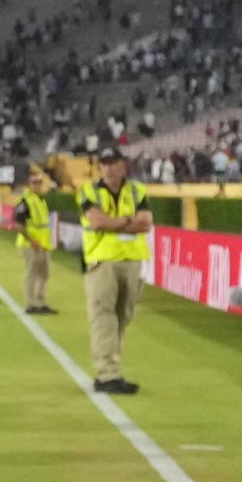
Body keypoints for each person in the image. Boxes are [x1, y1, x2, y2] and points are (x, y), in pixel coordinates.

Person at [79, 149, 150, 394]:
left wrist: (115, 222)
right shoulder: (89, 191)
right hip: (102, 261)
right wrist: (130, 221)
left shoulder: (137, 190)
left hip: (131, 261)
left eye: (113, 163)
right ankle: (108, 374)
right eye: (104, 163)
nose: (108, 168)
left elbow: (146, 223)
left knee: (123, 316)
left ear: (123, 164)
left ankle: (110, 367)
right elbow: (98, 222)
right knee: (103, 316)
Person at [15, 165, 57, 315]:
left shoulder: (40, 200)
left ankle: (41, 302)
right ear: (29, 184)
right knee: (32, 274)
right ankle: (30, 303)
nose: (38, 185)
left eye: (39, 182)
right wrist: (31, 240)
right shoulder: (26, 201)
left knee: (44, 274)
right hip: (31, 245)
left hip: (43, 244)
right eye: (35, 182)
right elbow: (18, 225)